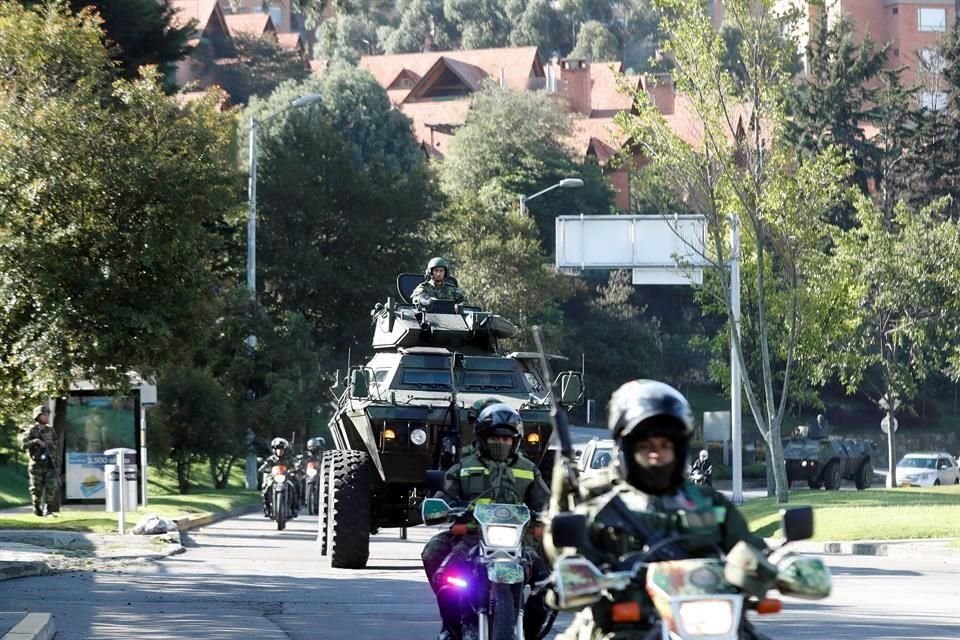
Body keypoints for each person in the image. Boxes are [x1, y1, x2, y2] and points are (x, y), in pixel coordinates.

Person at [545, 380, 773, 640]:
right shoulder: (597, 496)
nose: (657, 455)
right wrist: (560, 503)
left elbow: (748, 545)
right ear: (627, 448)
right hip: (624, 622)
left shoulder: (707, 500)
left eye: (665, 446)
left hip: (707, 620)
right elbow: (564, 553)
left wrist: (768, 566)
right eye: (646, 447)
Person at [421, 403, 550, 640]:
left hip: (521, 542)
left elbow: (546, 503)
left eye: (506, 439)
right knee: (439, 564)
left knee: (550, 585)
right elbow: (446, 496)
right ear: (482, 438)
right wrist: (443, 508)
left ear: (516, 441)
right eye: (494, 438)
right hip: (472, 537)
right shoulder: (463, 468)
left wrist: (553, 514)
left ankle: (531, 632)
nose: (500, 443)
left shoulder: (529, 469)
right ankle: (453, 626)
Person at [20, 405, 59, 517]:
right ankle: (37, 508)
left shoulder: (51, 430)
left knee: (51, 487)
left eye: (47, 414)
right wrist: (36, 441)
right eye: (44, 415)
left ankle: (48, 510)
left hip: (49, 463)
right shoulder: (31, 430)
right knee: (36, 490)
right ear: (37, 416)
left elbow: (56, 444)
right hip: (36, 464)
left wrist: (51, 451)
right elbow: (23, 445)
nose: (46, 417)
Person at [258, 437, 299, 518]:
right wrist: (263, 468)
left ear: (285, 450)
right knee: (266, 487)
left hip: (286, 478)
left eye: (281, 449)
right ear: (274, 450)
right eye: (278, 449)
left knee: (295, 487)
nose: (280, 451)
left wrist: (296, 468)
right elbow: (265, 465)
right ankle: (267, 508)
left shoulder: (289, 458)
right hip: (274, 478)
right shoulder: (271, 459)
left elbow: (296, 464)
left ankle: (294, 508)